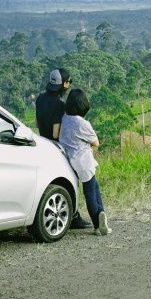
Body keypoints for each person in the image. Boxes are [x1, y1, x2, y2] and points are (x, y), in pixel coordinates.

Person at [36, 68, 92, 229]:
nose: (69, 84)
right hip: (56, 147)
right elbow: (55, 132)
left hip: (43, 143)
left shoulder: (40, 99)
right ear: (64, 84)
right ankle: (73, 216)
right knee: (71, 179)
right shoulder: (59, 105)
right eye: (69, 81)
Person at [59, 88, 111, 236]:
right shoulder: (83, 123)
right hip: (84, 161)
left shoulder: (65, 118)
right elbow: (96, 143)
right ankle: (97, 223)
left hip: (71, 161)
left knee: (94, 187)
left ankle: (101, 215)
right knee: (90, 193)